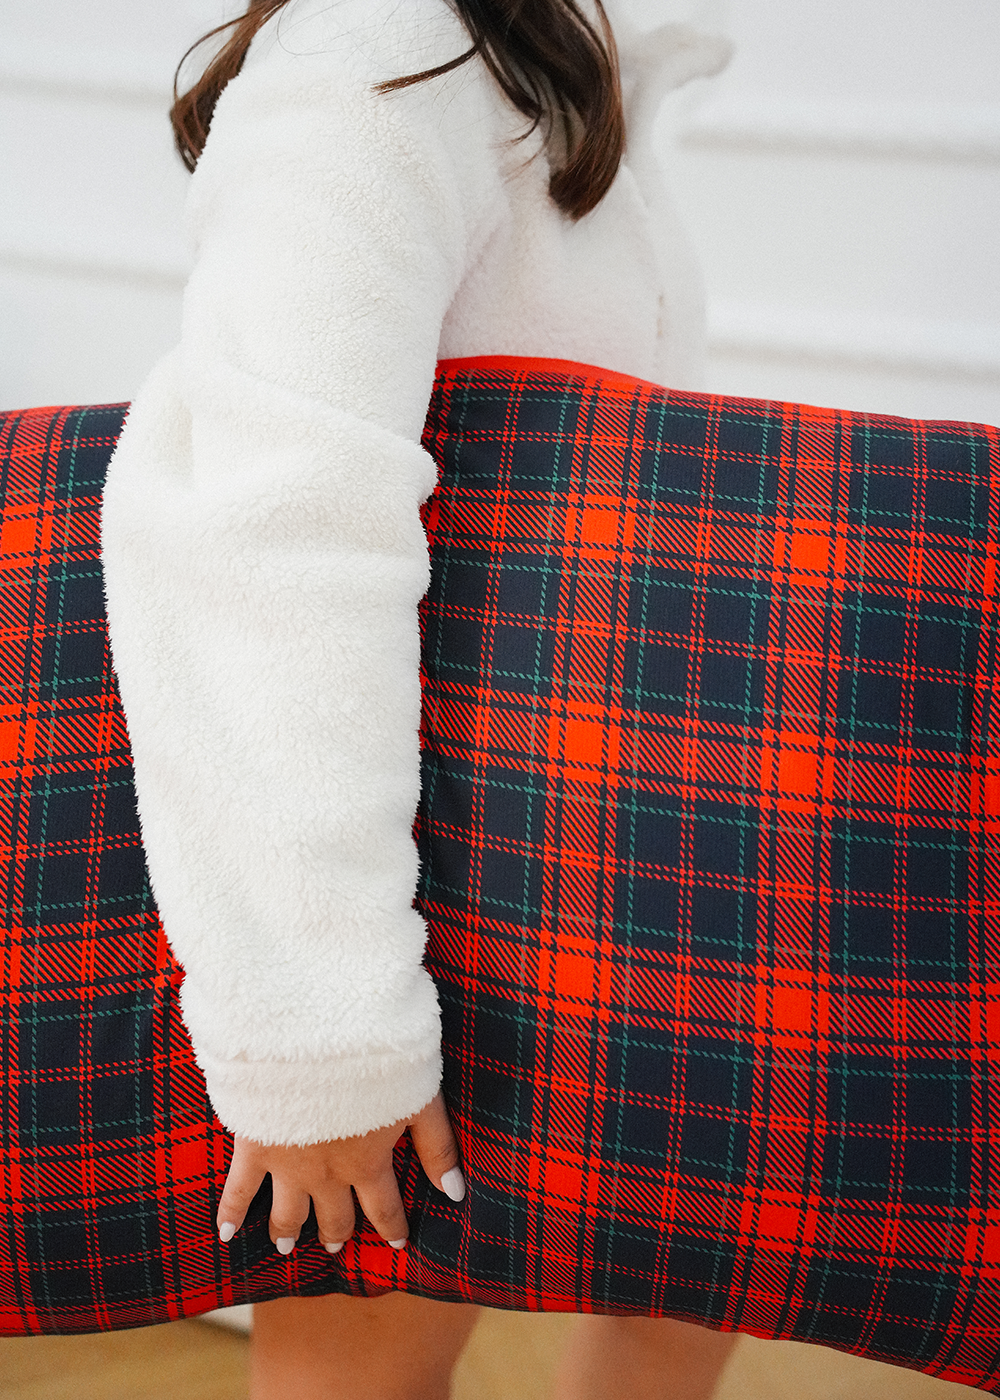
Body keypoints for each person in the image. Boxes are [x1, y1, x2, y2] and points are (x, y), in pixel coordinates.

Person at [100, 1, 737, 1395]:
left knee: (686, 1282)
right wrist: (324, 1039)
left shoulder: (533, 52)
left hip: (583, 845)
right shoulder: (373, 60)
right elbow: (267, 538)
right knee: (370, 1353)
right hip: (414, 890)